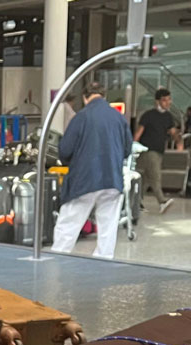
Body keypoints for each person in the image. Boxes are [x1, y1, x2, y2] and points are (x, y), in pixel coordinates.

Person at [50, 83, 132, 259]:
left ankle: (56, 261)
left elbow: (65, 150)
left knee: (69, 225)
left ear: (85, 97)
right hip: (112, 179)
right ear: (104, 95)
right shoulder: (118, 118)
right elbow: (127, 149)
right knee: (108, 226)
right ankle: (103, 263)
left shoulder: (81, 117)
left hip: (85, 180)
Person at [133, 89, 178, 214]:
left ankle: (137, 202)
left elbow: (173, 131)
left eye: (169, 99)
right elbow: (139, 132)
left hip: (159, 151)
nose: (168, 102)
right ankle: (162, 201)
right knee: (155, 175)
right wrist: (132, 146)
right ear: (157, 101)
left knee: (146, 178)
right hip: (148, 150)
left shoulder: (168, 116)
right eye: (165, 100)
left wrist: (179, 141)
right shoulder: (148, 115)